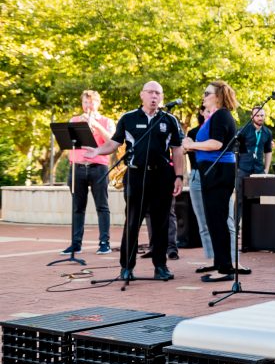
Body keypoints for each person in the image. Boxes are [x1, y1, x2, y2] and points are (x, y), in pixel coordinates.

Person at [85, 81, 184, 281]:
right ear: (142, 95)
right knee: (132, 222)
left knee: (161, 223)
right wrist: (97, 150)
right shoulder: (128, 118)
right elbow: (114, 143)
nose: (154, 96)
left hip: (162, 176)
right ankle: (127, 267)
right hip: (136, 175)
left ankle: (160, 266)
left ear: (162, 97)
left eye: (158, 93)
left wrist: (179, 176)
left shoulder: (169, 120)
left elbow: (177, 150)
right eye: (150, 92)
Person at [183, 80, 239, 282]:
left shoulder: (222, 115)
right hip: (212, 171)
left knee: (218, 219)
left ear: (218, 96)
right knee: (213, 219)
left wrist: (192, 144)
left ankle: (225, 268)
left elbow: (216, 143)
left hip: (219, 171)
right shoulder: (214, 117)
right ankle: (219, 262)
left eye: (207, 93)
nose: (203, 96)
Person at [63, 90, 116, 256]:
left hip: (98, 168)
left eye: (91, 102)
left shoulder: (107, 121)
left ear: (98, 103)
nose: (88, 106)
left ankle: (104, 243)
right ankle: (75, 244)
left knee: (102, 206)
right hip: (77, 167)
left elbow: (112, 142)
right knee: (77, 207)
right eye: (85, 102)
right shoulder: (74, 120)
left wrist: (96, 125)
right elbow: (68, 142)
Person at [237, 106, 274, 178]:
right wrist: (237, 169)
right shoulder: (243, 130)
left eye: (262, 115)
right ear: (252, 116)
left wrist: (266, 169)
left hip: (259, 171)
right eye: (257, 116)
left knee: (260, 190)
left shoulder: (268, 132)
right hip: (243, 170)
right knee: (242, 189)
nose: (260, 118)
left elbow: (268, 151)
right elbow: (235, 150)